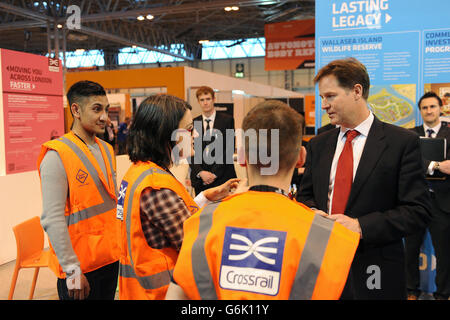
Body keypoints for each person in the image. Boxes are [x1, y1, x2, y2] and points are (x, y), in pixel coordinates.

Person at [165, 100, 360, 300]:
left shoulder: (201, 225)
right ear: (301, 157)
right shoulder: (330, 240)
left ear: (241, 157)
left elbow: (176, 296)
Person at [297, 58, 432, 300]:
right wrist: (312, 213)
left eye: (330, 96)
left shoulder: (401, 143)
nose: (324, 105)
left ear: (356, 91)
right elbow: (306, 196)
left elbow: (417, 211)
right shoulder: (318, 144)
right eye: (321, 98)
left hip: (375, 268)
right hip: (321, 267)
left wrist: (360, 226)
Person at [117, 94, 239, 300]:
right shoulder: (156, 186)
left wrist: (204, 198)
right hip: (161, 292)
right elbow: (195, 245)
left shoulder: (141, 172)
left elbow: (168, 220)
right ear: (166, 133)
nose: (196, 136)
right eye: (190, 129)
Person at [38, 80, 120, 300]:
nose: (104, 116)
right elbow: (52, 219)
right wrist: (71, 269)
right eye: (96, 109)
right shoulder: (57, 155)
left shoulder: (106, 149)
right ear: (76, 110)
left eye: (106, 109)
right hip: (80, 268)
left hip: (110, 259)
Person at [404, 91, 450, 300]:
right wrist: (437, 165)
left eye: (432, 106)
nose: (429, 111)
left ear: (440, 108)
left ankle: (443, 294)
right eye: (424, 107)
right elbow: (409, 164)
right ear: (420, 111)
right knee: (410, 250)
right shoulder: (410, 136)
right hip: (416, 201)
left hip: (443, 203)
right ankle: (411, 291)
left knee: (445, 253)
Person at [189, 86, 237, 196]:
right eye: (202, 100)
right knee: (202, 212)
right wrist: (201, 173)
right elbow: (189, 152)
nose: (205, 103)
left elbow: (229, 149)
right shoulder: (193, 123)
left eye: (208, 99)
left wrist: (214, 174)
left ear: (214, 99)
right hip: (200, 180)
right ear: (198, 102)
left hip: (222, 178)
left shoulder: (227, 120)